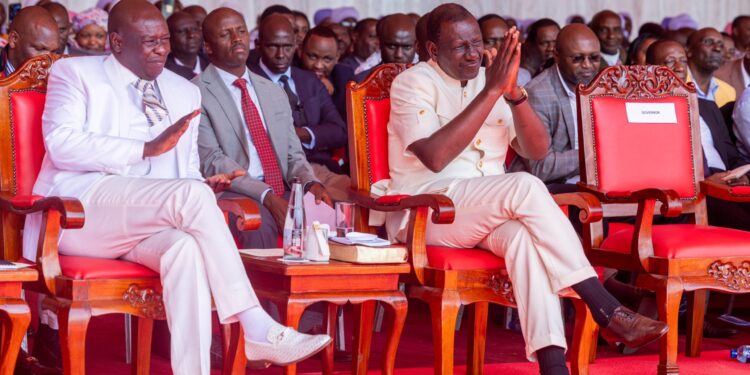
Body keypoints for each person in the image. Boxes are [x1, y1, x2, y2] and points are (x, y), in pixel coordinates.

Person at [23, 2, 331, 373]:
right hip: (81, 213)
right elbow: (61, 143)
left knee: (184, 249)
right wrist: (145, 149)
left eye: (165, 40)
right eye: (149, 41)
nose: (162, 49)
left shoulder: (183, 91)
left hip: (149, 220)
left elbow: (183, 173)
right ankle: (255, 323)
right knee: (189, 197)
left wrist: (206, 186)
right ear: (117, 42)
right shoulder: (75, 73)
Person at [379, 4, 668, 374]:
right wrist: (492, 91)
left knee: (523, 240)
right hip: (430, 211)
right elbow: (435, 157)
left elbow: (536, 150)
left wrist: (514, 95)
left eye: (477, 43)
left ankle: (553, 366)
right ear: (434, 51)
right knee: (524, 186)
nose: (473, 53)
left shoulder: (494, 80)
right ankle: (604, 307)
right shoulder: (414, 83)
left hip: (486, 212)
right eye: (460, 47)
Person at [196, 8, 332, 249]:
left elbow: (294, 154)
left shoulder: (272, 91)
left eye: (240, 31)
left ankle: (314, 287)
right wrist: (267, 196)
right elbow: (213, 161)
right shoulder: (195, 93)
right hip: (235, 191)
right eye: (226, 34)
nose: (237, 39)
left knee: (329, 217)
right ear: (208, 47)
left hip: (284, 187)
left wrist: (311, 184)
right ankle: (256, 289)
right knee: (256, 223)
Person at [248, 14, 349, 202]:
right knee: (328, 202)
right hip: (277, 170)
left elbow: (339, 131)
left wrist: (298, 133)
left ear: (296, 45)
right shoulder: (248, 81)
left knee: (355, 196)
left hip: (320, 167)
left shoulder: (309, 80)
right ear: (258, 44)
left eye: (287, 47)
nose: (281, 55)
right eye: (273, 46)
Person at [513, 24, 600, 189]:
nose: (588, 65)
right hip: (555, 186)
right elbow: (541, 167)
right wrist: (594, 156)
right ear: (556, 56)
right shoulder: (537, 94)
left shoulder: (605, 84)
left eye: (594, 58)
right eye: (577, 58)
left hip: (598, 179)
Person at [354, 13, 416, 82]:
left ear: (416, 46)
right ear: (380, 44)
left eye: (406, 47)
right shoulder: (362, 82)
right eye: (392, 46)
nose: (399, 55)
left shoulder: (426, 81)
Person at [0, 6, 58, 77]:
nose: (48, 62)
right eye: (40, 49)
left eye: (54, 52)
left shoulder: (59, 78)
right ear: (13, 39)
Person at [687, 27, 736, 108]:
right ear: (689, 50)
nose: (717, 48)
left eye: (721, 45)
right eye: (708, 42)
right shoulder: (673, 85)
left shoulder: (729, 92)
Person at [165, 11, 206, 79]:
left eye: (194, 29)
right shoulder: (164, 71)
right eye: (182, 31)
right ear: (169, 38)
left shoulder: (212, 64)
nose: (191, 35)